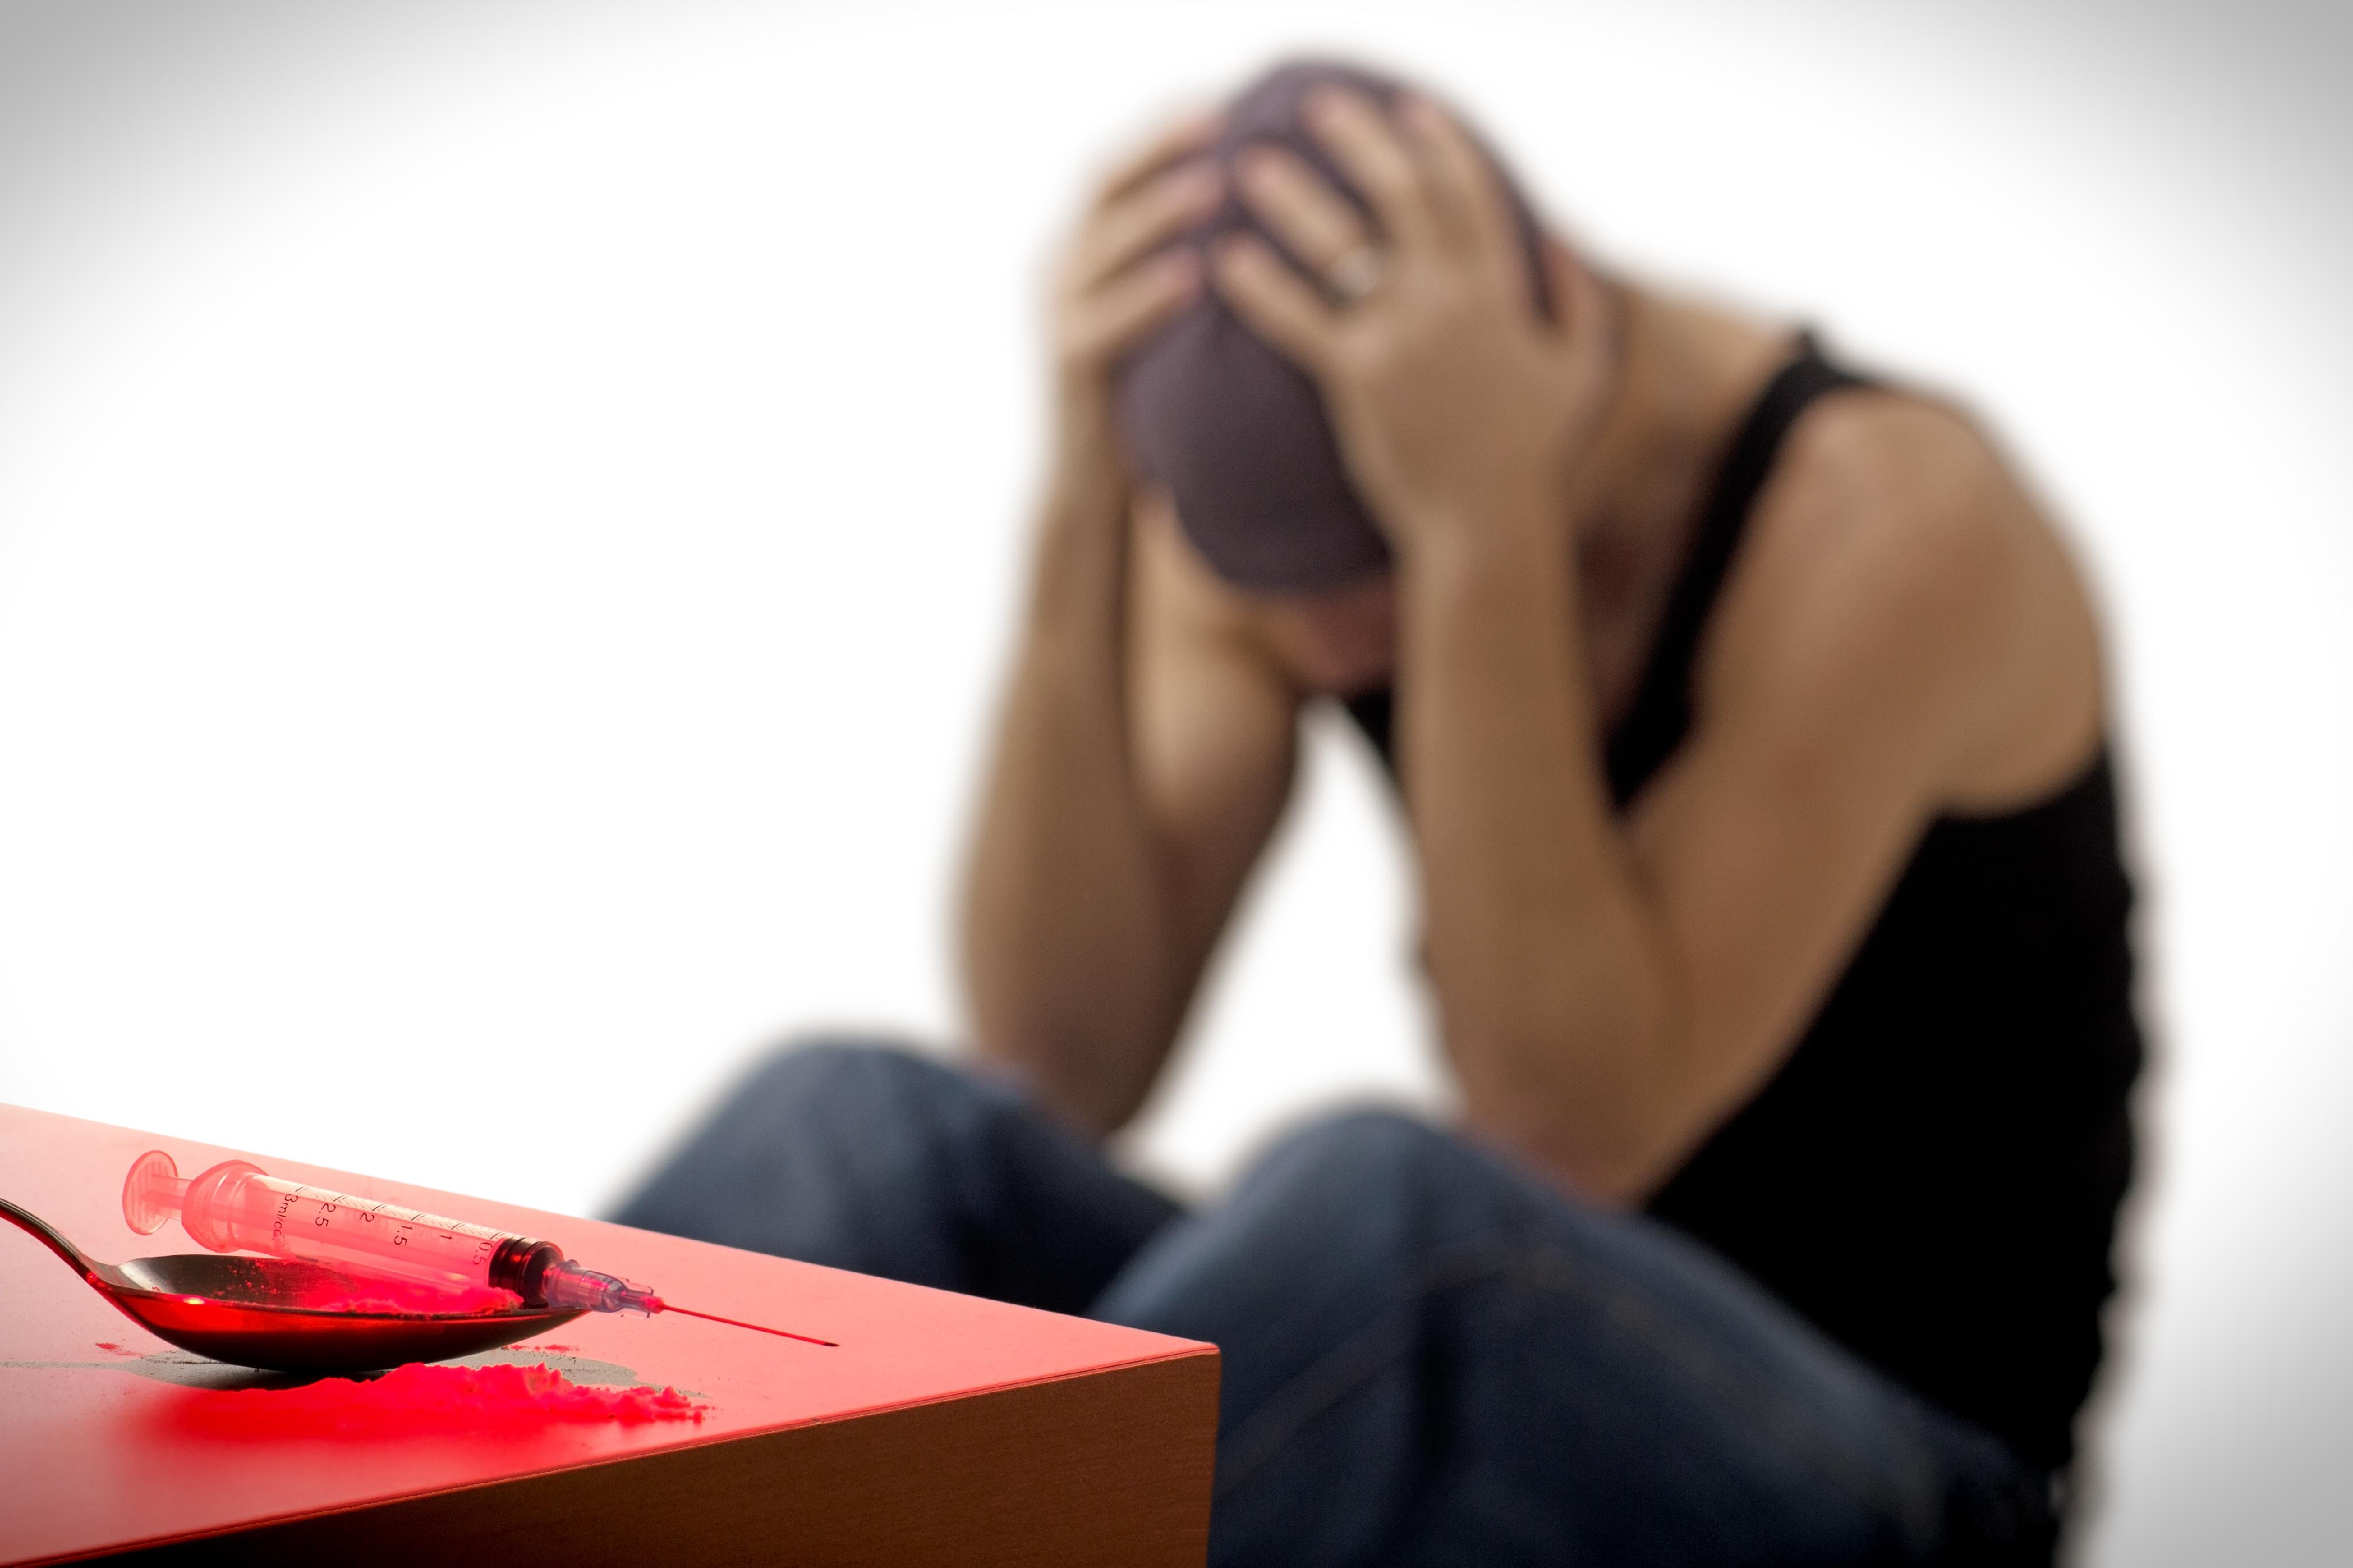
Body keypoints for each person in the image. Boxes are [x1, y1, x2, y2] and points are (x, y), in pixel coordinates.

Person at [613, 57, 2140, 1566]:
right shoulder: (1282, 523)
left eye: (1371, 579)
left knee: (1395, 1213)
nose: (1330, 652)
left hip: (1905, 1464)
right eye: (1282, 590)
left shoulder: (1885, 525)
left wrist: (1477, 530)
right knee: (854, 1119)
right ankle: (510, 1516)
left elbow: (1565, 1129)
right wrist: (1085, 499)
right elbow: (1064, 1050)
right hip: (1528, 1395)